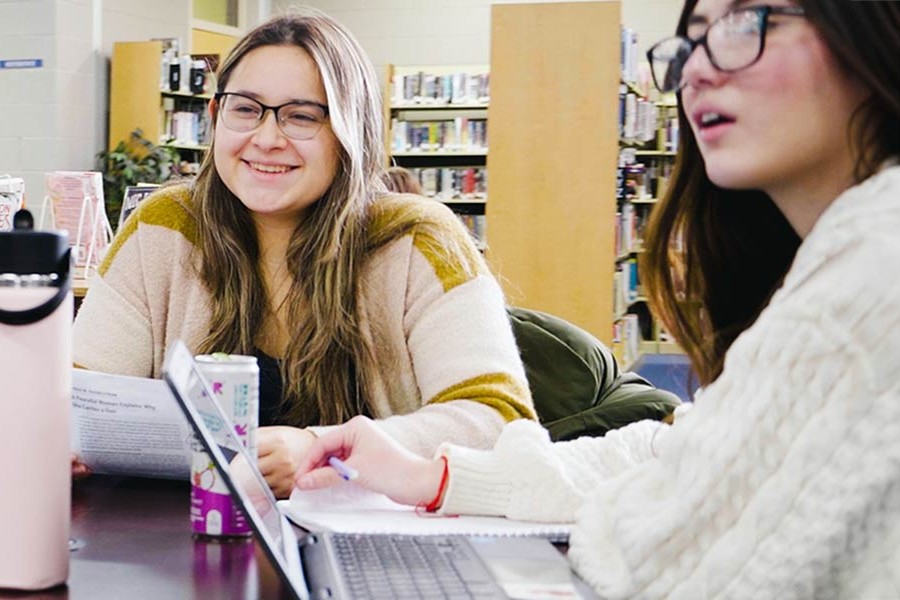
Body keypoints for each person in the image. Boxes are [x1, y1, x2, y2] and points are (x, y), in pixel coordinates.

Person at [294, 1, 900, 596]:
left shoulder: (877, 259)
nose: (696, 70)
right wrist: (433, 476)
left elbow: (679, 564)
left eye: (745, 23)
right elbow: (670, 453)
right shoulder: (835, 253)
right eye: (690, 42)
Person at [72, 8, 535, 497]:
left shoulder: (420, 239)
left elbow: (499, 420)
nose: (267, 139)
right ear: (214, 117)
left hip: (370, 548)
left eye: (302, 116)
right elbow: (81, 399)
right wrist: (60, 437)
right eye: (246, 109)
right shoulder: (163, 227)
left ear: (350, 132)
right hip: (177, 544)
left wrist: (322, 452)